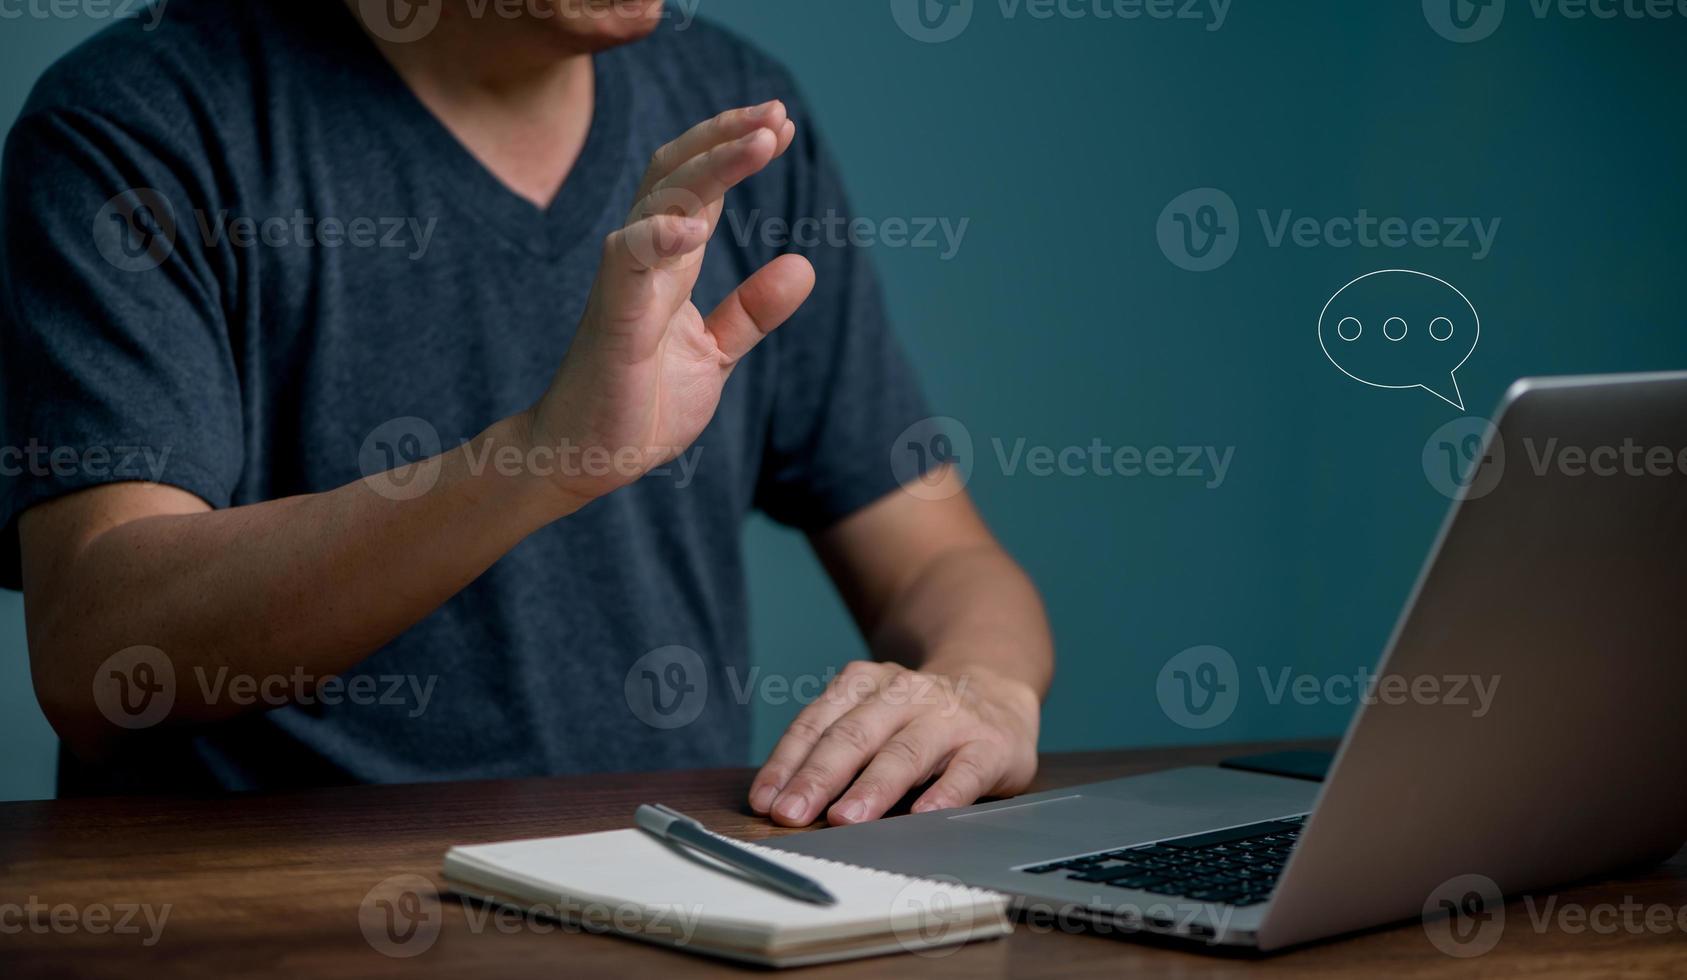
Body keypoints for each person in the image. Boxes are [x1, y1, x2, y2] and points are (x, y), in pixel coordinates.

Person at [0, 0, 1052, 827]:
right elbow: (100, 647)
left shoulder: (735, 115)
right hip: (267, 925)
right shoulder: (139, 118)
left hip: (673, 900)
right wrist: (544, 457)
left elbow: (935, 559)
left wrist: (984, 689)